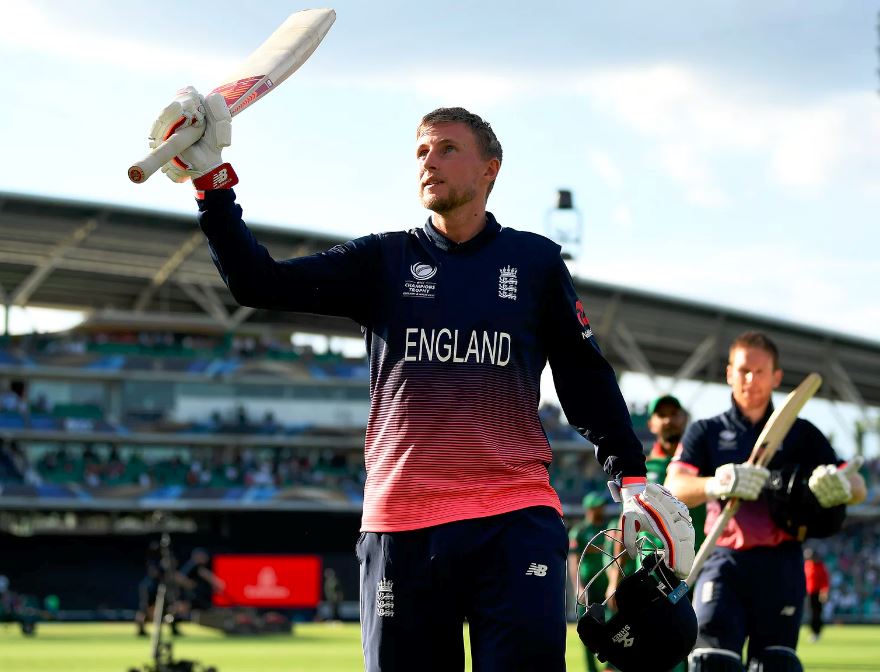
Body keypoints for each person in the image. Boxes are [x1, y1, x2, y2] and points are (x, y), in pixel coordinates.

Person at [145, 90, 695, 671]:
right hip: (402, 527)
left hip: (513, 518)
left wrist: (629, 475)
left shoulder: (534, 263)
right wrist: (212, 182)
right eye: (421, 151)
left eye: (446, 149)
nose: (428, 162)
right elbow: (259, 283)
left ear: (490, 169)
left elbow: (584, 374)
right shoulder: (382, 261)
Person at [665, 331, 867, 671]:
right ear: (729, 373)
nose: (750, 380)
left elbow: (858, 484)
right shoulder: (706, 431)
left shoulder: (803, 434)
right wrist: (719, 482)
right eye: (743, 370)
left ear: (776, 377)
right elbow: (674, 485)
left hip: (782, 565)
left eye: (760, 372)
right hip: (723, 561)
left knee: (775, 665)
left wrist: (841, 485)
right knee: (711, 663)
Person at [568, 492, 612, 672]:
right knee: (586, 629)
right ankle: (591, 669)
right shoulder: (579, 531)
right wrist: (578, 587)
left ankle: (610, 665)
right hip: (588, 587)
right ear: (590, 509)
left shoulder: (608, 529)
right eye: (598, 506)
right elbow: (573, 562)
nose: (602, 509)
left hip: (605, 586)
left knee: (611, 626)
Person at [176, 547, 225, 618]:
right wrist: (189, 584)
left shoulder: (198, 568)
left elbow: (219, 584)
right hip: (194, 598)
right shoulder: (195, 567)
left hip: (200, 600)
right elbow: (179, 578)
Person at [803, 547, 830, 642]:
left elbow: (825, 581)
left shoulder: (821, 566)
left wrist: (824, 592)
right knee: (811, 614)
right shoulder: (807, 565)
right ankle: (813, 632)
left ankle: (817, 632)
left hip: (818, 593)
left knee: (817, 614)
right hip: (809, 593)